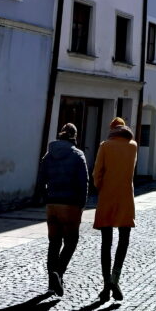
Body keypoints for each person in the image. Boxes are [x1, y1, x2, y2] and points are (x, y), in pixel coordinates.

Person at [36, 122, 89, 297]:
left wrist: (45, 197)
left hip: (52, 203)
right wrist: (82, 204)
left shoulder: (48, 155)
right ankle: (59, 272)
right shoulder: (78, 155)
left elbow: (40, 178)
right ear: (75, 136)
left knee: (54, 242)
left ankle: (52, 282)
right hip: (70, 204)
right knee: (71, 241)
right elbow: (84, 183)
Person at [93, 116, 138, 303]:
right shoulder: (133, 146)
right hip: (126, 198)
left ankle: (105, 285)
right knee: (124, 239)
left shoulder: (105, 146)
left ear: (112, 130)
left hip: (107, 198)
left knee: (106, 243)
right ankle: (115, 278)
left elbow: (97, 173)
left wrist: (101, 187)